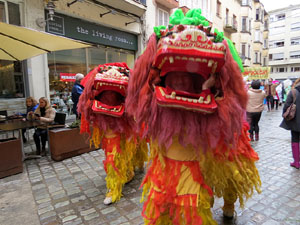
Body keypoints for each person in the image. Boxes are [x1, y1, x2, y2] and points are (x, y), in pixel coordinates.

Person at [126, 8, 261, 224]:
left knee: (225, 179)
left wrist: (212, 89)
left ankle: (228, 204)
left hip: (204, 146)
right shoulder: (153, 94)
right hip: (170, 155)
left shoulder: (222, 96)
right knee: (167, 197)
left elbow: (230, 96)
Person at [78, 63, 148, 205]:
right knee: (112, 153)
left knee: (132, 145)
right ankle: (113, 187)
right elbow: (89, 100)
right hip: (108, 121)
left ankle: (131, 168)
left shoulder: (129, 81)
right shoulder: (98, 81)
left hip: (127, 120)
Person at [280, 78, 300, 169]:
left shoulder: (293, 92)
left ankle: (296, 162)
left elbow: (287, 105)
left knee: (295, 139)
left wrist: (284, 115)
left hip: (296, 120)